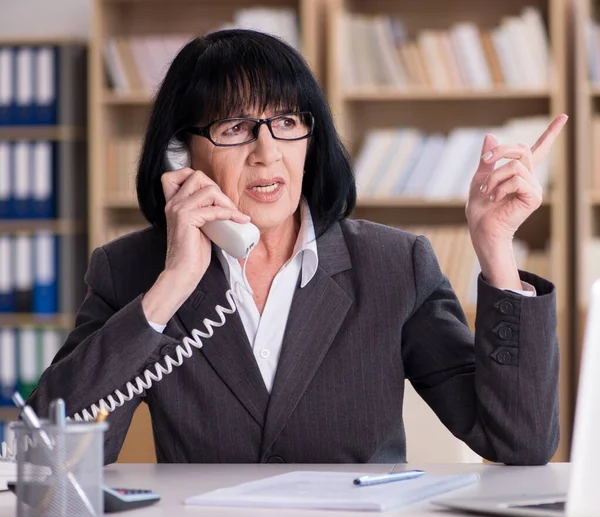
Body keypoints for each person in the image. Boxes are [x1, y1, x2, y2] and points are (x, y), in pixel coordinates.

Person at [27, 29, 566, 466]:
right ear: (180, 153)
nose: (267, 153)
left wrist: (496, 250)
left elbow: (518, 443)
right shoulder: (130, 271)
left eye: (286, 122)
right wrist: (169, 288)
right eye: (235, 126)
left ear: (312, 136)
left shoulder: (394, 266)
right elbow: (47, 458)